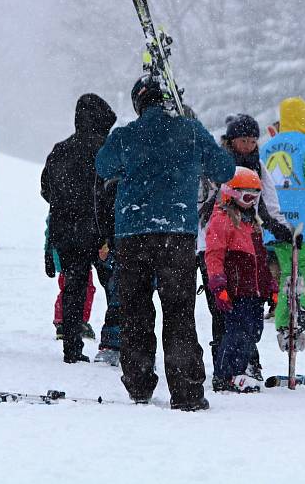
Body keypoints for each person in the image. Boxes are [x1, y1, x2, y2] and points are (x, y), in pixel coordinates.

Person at [96, 75, 235, 411]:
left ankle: (139, 382)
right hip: (176, 233)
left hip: (132, 232)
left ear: (138, 104)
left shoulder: (126, 135)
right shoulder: (189, 130)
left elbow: (103, 164)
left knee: (135, 310)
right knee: (178, 312)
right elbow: (225, 169)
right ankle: (186, 390)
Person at [197, 113, 292, 380]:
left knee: (249, 310)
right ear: (231, 140)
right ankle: (224, 364)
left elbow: (269, 204)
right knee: (222, 309)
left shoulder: (259, 168)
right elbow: (203, 201)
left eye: (252, 140)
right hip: (214, 241)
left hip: (247, 242)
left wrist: (281, 228)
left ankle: (249, 361)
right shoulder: (217, 165)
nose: (248, 145)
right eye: (243, 140)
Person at [41, 93, 117, 363]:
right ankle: (114, 341)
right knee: (115, 288)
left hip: (67, 231)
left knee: (74, 288)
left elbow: (46, 191)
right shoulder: (106, 152)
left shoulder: (60, 150)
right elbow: (113, 191)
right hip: (101, 232)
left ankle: (71, 347)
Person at [260, 97, 305, 346]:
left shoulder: (267, 146)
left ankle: (283, 324)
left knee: (286, 276)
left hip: (274, 222)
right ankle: (302, 313)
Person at [205, 167, 276, 393]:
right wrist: (218, 285)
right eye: (247, 196)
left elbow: (261, 261)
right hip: (236, 291)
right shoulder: (222, 220)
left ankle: (240, 370)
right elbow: (214, 255)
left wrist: (271, 287)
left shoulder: (253, 223)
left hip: (254, 293)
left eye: (256, 197)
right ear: (231, 194)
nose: (252, 202)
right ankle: (225, 374)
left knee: (253, 332)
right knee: (236, 333)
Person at [45, 214, 97, 341]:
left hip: (62, 256)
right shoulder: (76, 210)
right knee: (84, 289)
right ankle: (79, 321)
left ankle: (62, 321)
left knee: (67, 289)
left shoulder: (57, 212)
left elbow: (49, 233)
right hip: (73, 256)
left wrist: (49, 252)